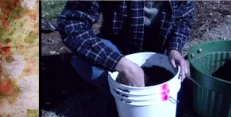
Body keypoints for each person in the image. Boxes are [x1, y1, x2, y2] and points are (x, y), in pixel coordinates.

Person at [57, 1, 194, 94]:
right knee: (83, 63)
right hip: (118, 51)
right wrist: (122, 65)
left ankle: (120, 93)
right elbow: (71, 23)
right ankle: (117, 91)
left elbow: (183, 19)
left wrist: (174, 49)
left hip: (158, 56)